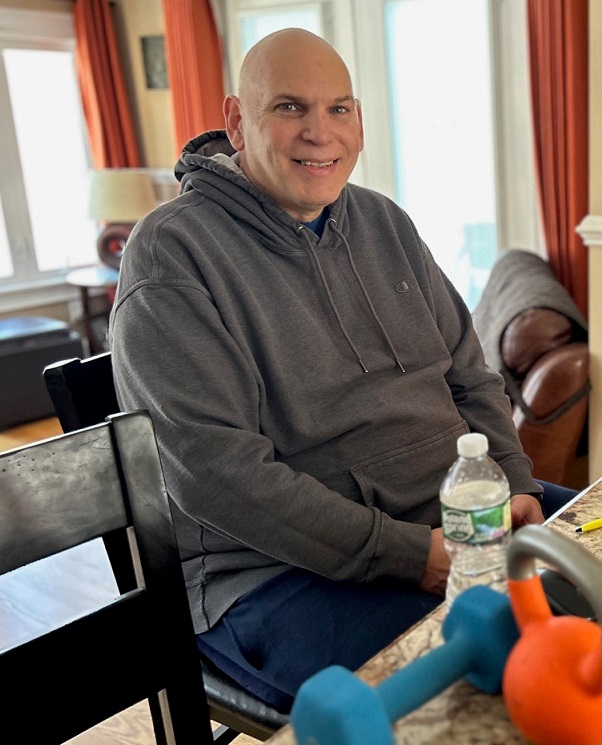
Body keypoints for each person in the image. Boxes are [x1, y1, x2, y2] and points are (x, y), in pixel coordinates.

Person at [110, 28, 573, 711]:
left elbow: (468, 374)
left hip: (444, 520)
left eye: (340, 108)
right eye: (290, 108)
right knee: (487, 698)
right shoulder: (170, 257)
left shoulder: (384, 222)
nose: (320, 134)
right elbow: (217, 474)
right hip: (271, 574)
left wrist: (510, 479)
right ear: (237, 120)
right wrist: (413, 555)